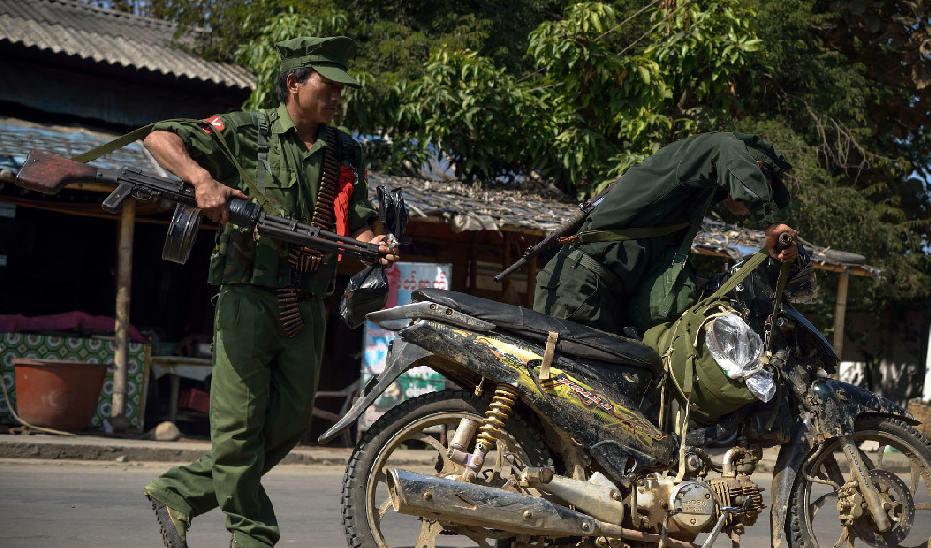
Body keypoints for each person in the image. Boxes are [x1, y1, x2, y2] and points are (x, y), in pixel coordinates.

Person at [141, 36, 399, 548]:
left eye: (341, 90)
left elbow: (360, 221)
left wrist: (376, 245)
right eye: (326, 87)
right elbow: (158, 137)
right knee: (237, 432)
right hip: (247, 296)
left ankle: (181, 492)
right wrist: (201, 179)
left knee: (285, 428)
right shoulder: (248, 132)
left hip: (307, 303)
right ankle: (254, 535)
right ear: (294, 83)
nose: (336, 99)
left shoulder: (346, 150)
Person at [533, 131, 798, 336]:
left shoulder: (690, 199)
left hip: (610, 299)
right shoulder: (710, 148)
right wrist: (772, 223)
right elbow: (725, 150)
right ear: (751, 165)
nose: (760, 190)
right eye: (763, 183)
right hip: (581, 287)